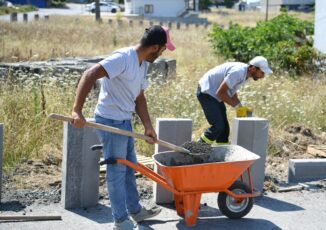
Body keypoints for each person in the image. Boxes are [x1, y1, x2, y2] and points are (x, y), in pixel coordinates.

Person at [70, 25, 175, 230]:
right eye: (163, 49)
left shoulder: (142, 64)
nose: (163, 53)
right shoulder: (123, 58)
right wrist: (77, 111)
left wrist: (148, 126)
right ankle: (120, 221)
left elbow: (139, 97)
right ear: (154, 47)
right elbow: (89, 74)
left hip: (124, 121)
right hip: (109, 121)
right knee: (116, 172)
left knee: (129, 168)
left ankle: (135, 211)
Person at [197, 56, 272, 145]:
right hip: (207, 92)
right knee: (218, 126)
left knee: (224, 130)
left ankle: (222, 154)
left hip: (214, 93)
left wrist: (240, 107)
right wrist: (237, 107)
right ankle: (197, 147)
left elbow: (231, 91)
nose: (263, 76)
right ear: (253, 68)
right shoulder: (238, 72)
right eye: (262, 73)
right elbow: (220, 93)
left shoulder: (245, 75)